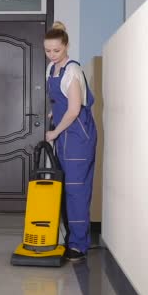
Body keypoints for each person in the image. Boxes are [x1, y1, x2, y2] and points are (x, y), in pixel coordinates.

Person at [44, 21, 97, 262]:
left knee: (76, 190)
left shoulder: (73, 70)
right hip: (65, 133)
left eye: (56, 50)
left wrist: (54, 132)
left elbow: (75, 109)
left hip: (77, 136)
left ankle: (78, 245)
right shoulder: (52, 69)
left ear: (66, 46)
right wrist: (55, 112)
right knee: (64, 188)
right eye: (48, 50)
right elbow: (63, 100)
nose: (52, 55)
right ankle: (70, 239)